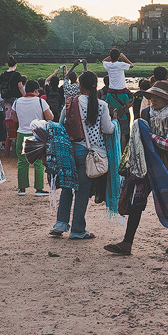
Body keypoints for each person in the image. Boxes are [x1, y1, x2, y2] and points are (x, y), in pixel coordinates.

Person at [105, 80, 168, 255]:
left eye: (158, 97)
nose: (154, 100)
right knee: (137, 201)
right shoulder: (147, 112)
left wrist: (149, 136)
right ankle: (127, 243)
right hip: (147, 164)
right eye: (152, 96)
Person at [54, 71, 114, 240]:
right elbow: (107, 129)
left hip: (69, 151)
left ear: (79, 85)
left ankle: (60, 224)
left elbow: (60, 126)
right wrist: (116, 123)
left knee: (67, 188)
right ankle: (77, 229)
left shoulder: (70, 103)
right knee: (82, 192)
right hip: (89, 154)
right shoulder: (101, 105)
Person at [14, 80, 53, 196]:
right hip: (37, 134)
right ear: (36, 91)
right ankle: (39, 189)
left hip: (21, 133)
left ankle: (22, 188)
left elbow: (14, 118)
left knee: (22, 161)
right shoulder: (41, 102)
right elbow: (50, 117)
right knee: (39, 162)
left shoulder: (17, 102)